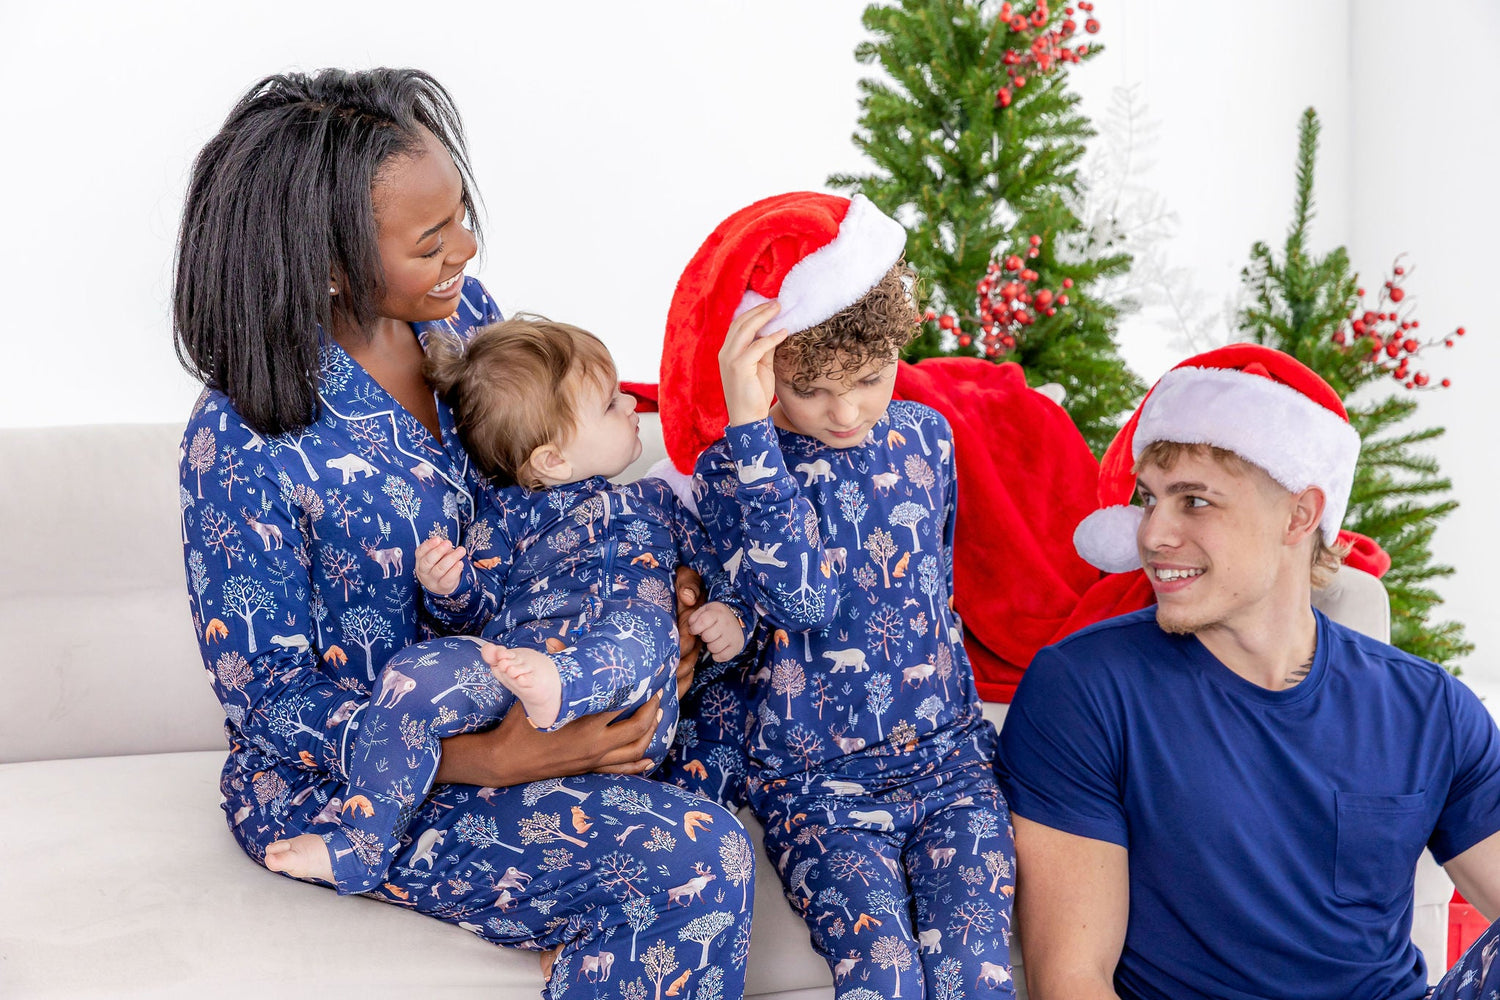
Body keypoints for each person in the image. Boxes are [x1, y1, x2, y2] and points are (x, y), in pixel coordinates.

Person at [174, 67, 752, 997]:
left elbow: (548, 487)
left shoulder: (464, 328)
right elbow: (269, 702)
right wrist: (489, 761)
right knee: (691, 857)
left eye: (461, 218)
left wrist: (650, 591)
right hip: (363, 779)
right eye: (432, 238)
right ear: (328, 264)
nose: (468, 250)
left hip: (530, 679)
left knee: (759, 697)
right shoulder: (242, 438)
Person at [999, 343, 1500, 1000]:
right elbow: (1072, 982)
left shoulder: (1429, 708)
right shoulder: (1085, 689)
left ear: (1300, 514)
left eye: (1196, 501)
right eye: (1150, 499)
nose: (1153, 536)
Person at [661, 191, 1017, 998]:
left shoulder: (929, 436)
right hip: (816, 786)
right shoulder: (731, 470)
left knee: (975, 974)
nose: (848, 410)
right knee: (883, 979)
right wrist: (752, 435)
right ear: (763, 374)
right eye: (813, 389)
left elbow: (936, 587)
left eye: (869, 378)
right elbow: (805, 602)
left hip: (949, 765)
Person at [267, 315, 752, 892]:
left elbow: (722, 577)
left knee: (641, 636)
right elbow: (478, 610)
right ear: (551, 461)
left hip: (624, 683)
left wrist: (725, 618)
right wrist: (449, 587)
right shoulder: (505, 517)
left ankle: (563, 682)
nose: (630, 404)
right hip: (518, 668)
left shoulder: (657, 503)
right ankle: (359, 844)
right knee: (409, 676)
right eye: (609, 404)